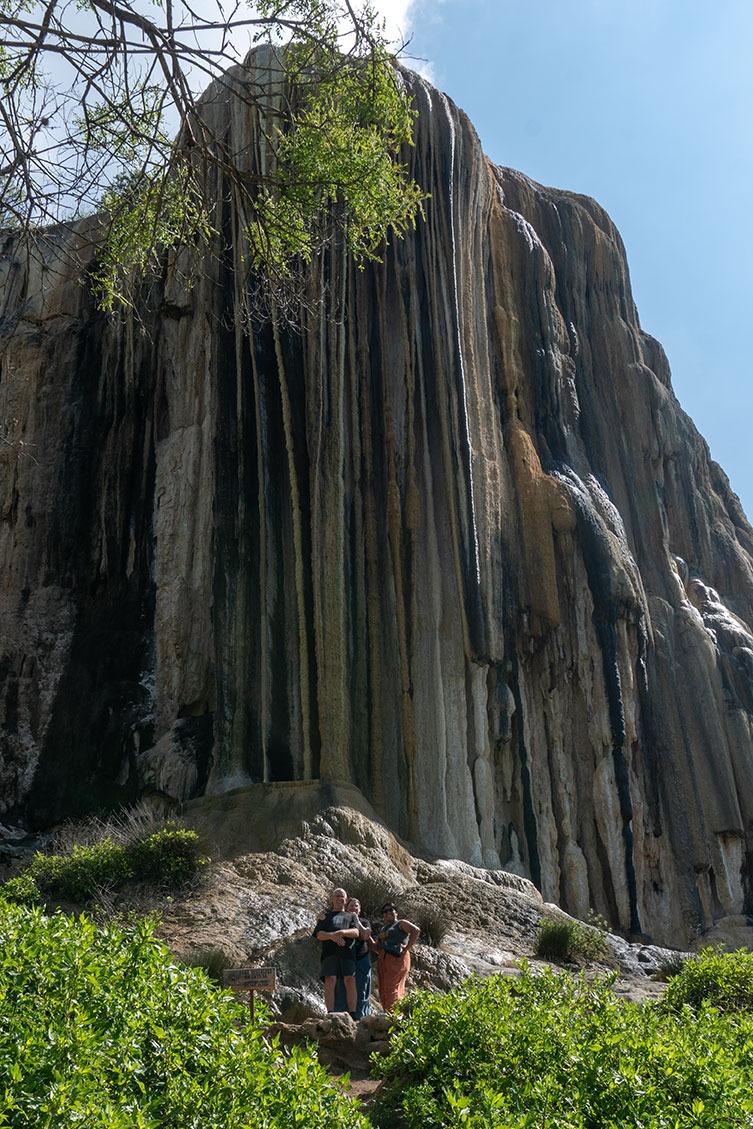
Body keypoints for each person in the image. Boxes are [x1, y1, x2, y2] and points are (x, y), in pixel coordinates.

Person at [313, 888, 360, 1015]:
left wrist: (342, 932)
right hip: (329, 953)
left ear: (345, 900)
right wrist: (332, 936)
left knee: (350, 979)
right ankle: (330, 1012)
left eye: (342, 896)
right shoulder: (325, 917)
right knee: (330, 980)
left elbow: (356, 932)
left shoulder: (351, 916)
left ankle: (353, 1013)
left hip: (347, 953)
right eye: (337, 896)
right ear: (332, 899)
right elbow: (318, 934)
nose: (339, 898)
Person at [374, 902, 420, 1013]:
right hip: (384, 959)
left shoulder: (400, 923)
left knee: (391, 988)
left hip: (396, 958)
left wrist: (407, 948)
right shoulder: (383, 929)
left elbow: (416, 930)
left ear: (396, 912)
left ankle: (392, 1016)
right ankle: (390, 1013)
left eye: (391, 910)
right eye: (384, 911)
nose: (387, 913)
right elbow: (377, 947)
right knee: (384, 988)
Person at [333, 897, 373, 1018]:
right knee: (341, 987)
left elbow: (365, 935)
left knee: (361, 987)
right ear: (346, 907)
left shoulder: (364, 921)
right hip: (344, 958)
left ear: (359, 910)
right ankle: (341, 1016)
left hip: (361, 958)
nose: (353, 908)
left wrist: (356, 920)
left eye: (356, 906)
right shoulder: (341, 920)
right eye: (351, 905)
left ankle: (361, 1017)